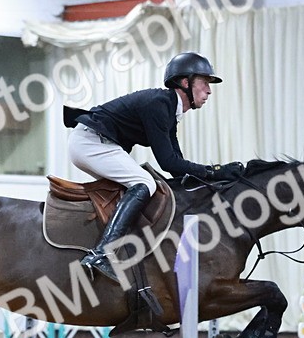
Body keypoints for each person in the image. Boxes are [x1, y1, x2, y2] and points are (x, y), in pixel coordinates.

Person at [65, 51, 244, 282]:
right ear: (185, 82)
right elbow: (168, 162)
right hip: (90, 142)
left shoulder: (169, 110)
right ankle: (100, 255)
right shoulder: (159, 105)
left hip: (95, 141)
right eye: (204, 83)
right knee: (144, 182)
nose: (209, 90)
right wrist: (215, 171)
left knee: (148, 182)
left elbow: (176, 168)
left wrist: (214, 178)